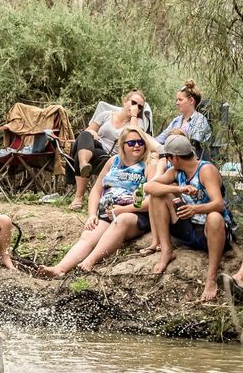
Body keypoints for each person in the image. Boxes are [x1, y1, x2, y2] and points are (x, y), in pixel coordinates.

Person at [39, 127, 154, 278]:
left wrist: (124, 210)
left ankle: (89, 262)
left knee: (121, 221)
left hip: (134, 214)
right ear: (123, 145)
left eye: (140, 142)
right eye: (131, 142)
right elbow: (96, 190)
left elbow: (152, 200)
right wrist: (92, 214)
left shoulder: (148, 165)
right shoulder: (113, 161)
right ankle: (59, 269)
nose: (137, 145)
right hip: (106, 213)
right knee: (89, 235)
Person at [143, 134, 230, 301]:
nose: (166, 160)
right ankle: (166, 251)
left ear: (174, 157)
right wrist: (180, 189)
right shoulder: (176, 171)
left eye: (167, 157)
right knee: (157, 196)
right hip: (190, 228)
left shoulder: (206, 170)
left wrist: (195, 209)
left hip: (211, 232)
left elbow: (219, 204)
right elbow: (149, 186)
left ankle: (210, 279)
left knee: (214, 217)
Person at [68, 89, 149, 211]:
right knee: (84, 135)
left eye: (139, 106)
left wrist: (133, 115)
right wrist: (93, 133)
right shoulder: (106, 114)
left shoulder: (138, 122)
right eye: (133, 103)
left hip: (110, 156)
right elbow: (90, 129)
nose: (136, 107)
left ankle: (78, 197)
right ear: (124, 101)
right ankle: (84, 164)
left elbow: (135, 135)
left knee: (82, 154)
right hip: (93, 145)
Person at [155, 80, 211, 147]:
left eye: (180, 100)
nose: (177, 103)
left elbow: (192, 145)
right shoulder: (176, 120)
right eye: (176, 100)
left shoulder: (200, 120)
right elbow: (160, 139)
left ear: (191, 100)